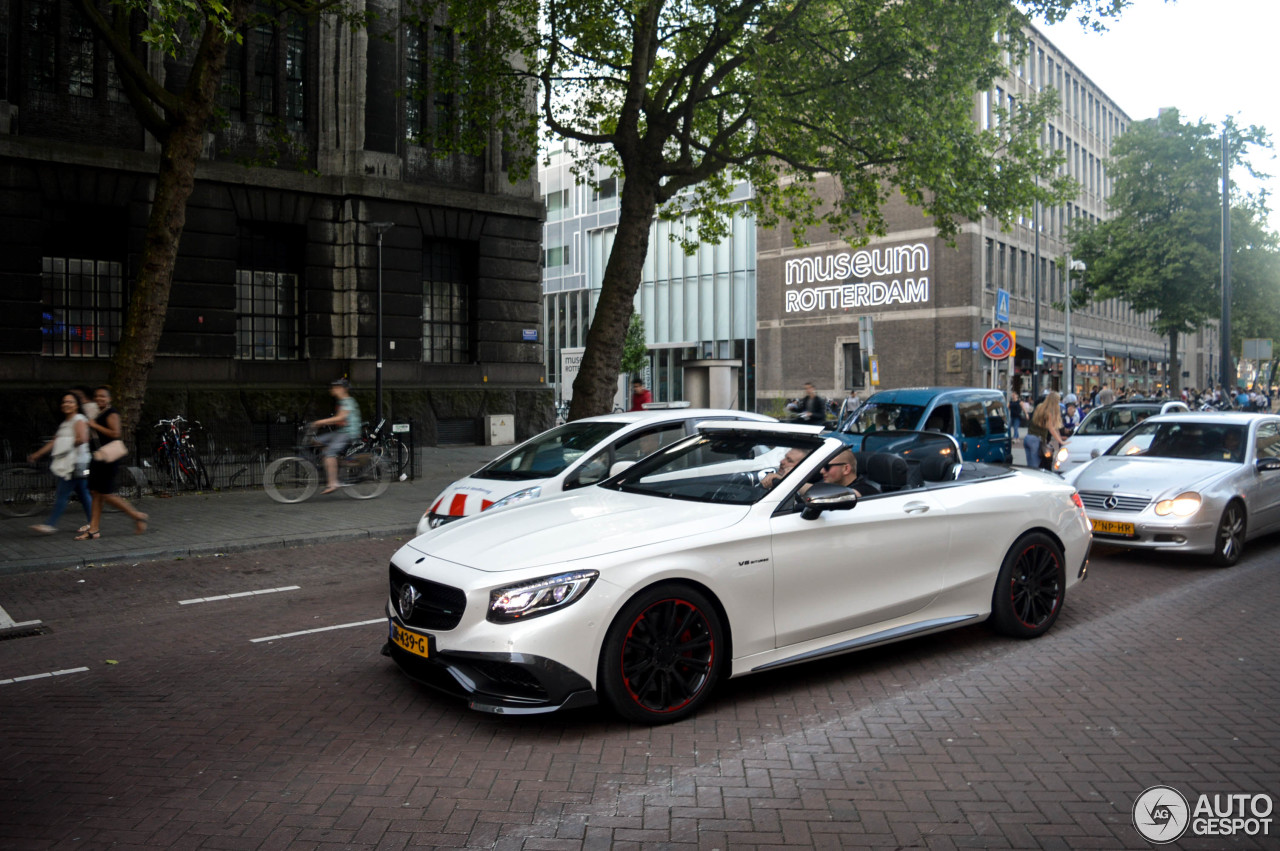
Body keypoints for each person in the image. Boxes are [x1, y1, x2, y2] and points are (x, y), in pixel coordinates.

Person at [82, 386, 148, 539]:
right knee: (96, 493)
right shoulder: (98, 413)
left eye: (103, 396)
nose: (99, 399)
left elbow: (116, 433)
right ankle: (94, 529)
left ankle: (137, 515)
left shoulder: (112, 413)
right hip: (98, 457)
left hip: (108, 458)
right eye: (97, 396)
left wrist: (94, 425)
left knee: (106, 494)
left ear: (109, 399)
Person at [27, 391, 93, 535]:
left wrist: (64, 446)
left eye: (70, 401)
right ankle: (93, 523)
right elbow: (54, 441)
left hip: (76, 463)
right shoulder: (66, 423)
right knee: (83, 493)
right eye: (64, 402)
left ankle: (50, 524)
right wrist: (38, 454)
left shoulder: (79, 419)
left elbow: (82, 439)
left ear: (76, 405)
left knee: (63, 493)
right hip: (75, 463)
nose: (66, 404)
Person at [313, 378, 363, 494]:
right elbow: (338, 421)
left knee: (329, 453)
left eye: (337, 387)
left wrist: (320, 422)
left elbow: (340, 418)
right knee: (316, 440)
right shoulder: (341, 402)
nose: (333, 389)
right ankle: (334, 463)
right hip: (342, 432)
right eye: (334, 387)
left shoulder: (348, 401)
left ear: (344, 389)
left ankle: (333, 483)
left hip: (349, 433)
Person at [1024, 391, 1065, 470]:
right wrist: (1061, 441)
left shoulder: (1039, 407)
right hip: (1037, 439)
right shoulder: (1049, 411)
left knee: (1030, 466)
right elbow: (1052, 428)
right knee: (1036, 467)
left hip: (1028, 437)